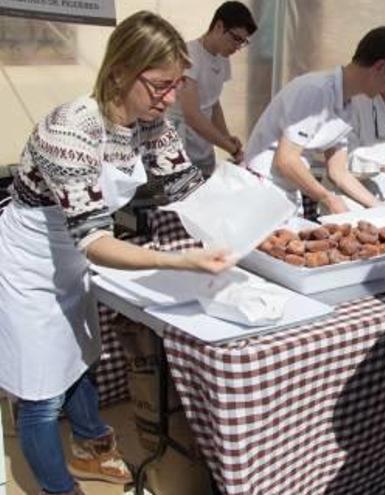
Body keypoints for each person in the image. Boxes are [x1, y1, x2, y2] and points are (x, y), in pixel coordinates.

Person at [0, 11, 232, 495]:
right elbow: (96, 240)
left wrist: (253, 217)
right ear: (122, 70)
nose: (171, 98)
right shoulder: (70, 130)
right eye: (160, 85)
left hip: (72, 258)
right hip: (31, 261)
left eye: (177, 85)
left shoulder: (151, 122)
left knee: (78, 359)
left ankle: (91, 448)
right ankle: (58, 489)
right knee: (40, 395)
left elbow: (185, 188)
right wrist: (181, 261)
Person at [244, 25, 385, 215]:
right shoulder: (315, 91)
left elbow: (338, 172)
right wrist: (328, 198)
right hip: (261, 190)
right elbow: (286, 160)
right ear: (380, 67)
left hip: (288, 192)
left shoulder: (348, 104)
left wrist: (382, 210)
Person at [169, 1, 256, 177]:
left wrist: (226, 136)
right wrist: (231, 148)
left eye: (243, 42)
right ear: (218, 26)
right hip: (178, 147)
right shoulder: (190, 55)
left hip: (204, 148)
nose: (238, 47)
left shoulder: (222, 59)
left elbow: (213, 103)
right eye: (236, 38)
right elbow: (192, 115)